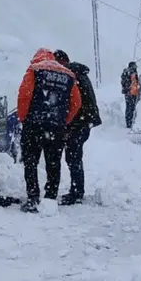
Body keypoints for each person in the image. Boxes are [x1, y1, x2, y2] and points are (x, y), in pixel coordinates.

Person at [16, 48, 82, 213]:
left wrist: (24, 118)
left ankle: (33, 197)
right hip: (56, 128)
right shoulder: (67, 75)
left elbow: (24, 95)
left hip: (33, 124)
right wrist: (63, 120)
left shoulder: (34, 70)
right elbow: (76, 103)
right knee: (54, 163)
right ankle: (51, 197)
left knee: (30, 162)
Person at [60, 60, 102, 206]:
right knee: (74, 157)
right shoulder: (79, 74)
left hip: (80, 123)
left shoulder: (73, 76)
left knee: (73, 157)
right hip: (84, 122)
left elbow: (76, 104)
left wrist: (68, 126)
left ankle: (77, 192)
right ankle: (77, 190)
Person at [121, 61, 141, 128]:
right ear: (133, 66)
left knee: (129, 108)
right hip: (132, 93)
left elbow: (124, 83)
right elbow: (134, 83)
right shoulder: (132, 72)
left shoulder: (126, 72)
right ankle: (130, 123)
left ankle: (129, 123)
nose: (136, 67)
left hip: (128, 93)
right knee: (131, 108)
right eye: (135, 65)